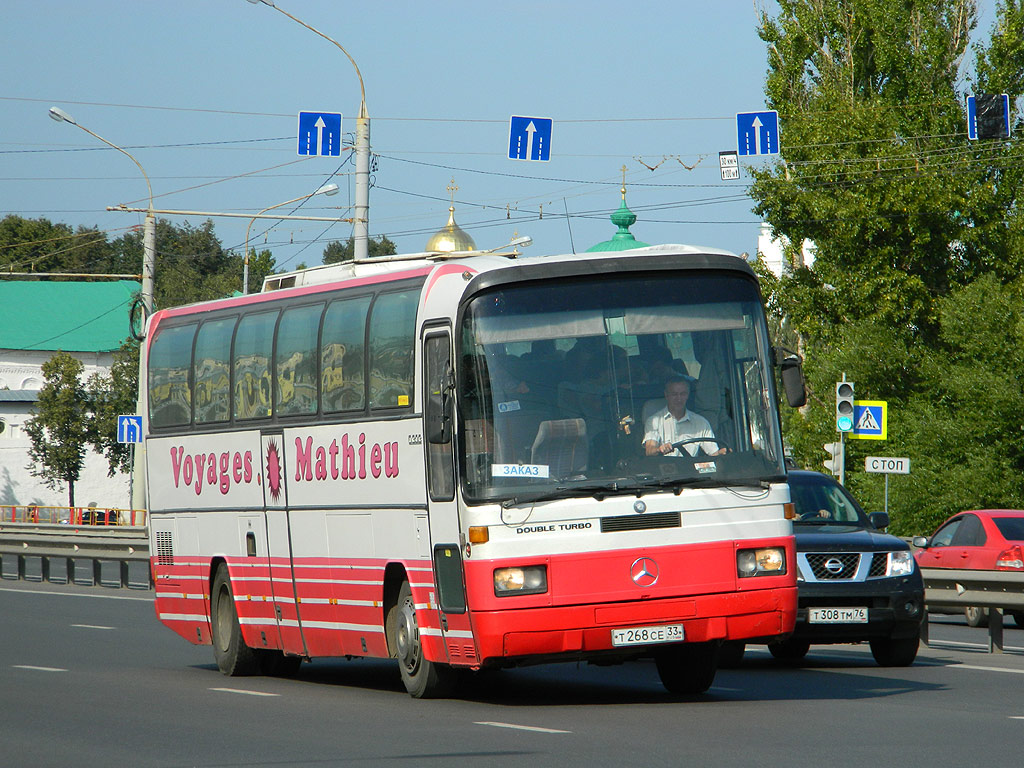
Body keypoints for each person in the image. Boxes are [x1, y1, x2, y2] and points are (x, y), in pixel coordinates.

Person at [643, 375, 725, 457]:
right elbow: (649, 450)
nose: (679, 399)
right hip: (665, 468)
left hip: (691, 468)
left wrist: (722, 453)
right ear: (666, 395)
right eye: (674, 394)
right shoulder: (654, 421)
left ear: (688, 395)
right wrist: (659, 449)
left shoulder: (701, 423)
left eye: (683, 394)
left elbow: (714, 454)